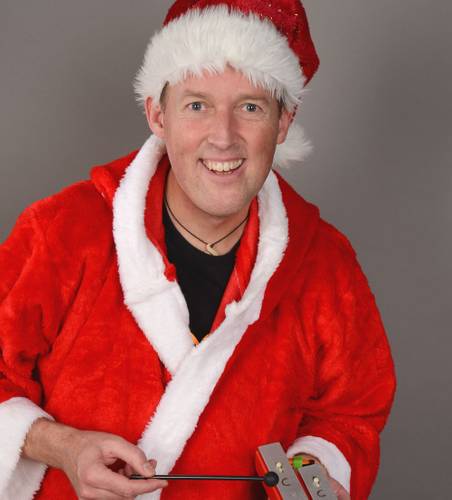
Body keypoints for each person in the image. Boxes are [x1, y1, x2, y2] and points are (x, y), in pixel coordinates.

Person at [0, 1, 396, 499]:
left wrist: (310, 473)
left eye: (250, 107)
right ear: (157, 114)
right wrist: (63, 446)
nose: (223, 137)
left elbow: (351, 412)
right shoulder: (62, 232)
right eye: (197, 105)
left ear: (283, 122)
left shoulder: (325, 264)